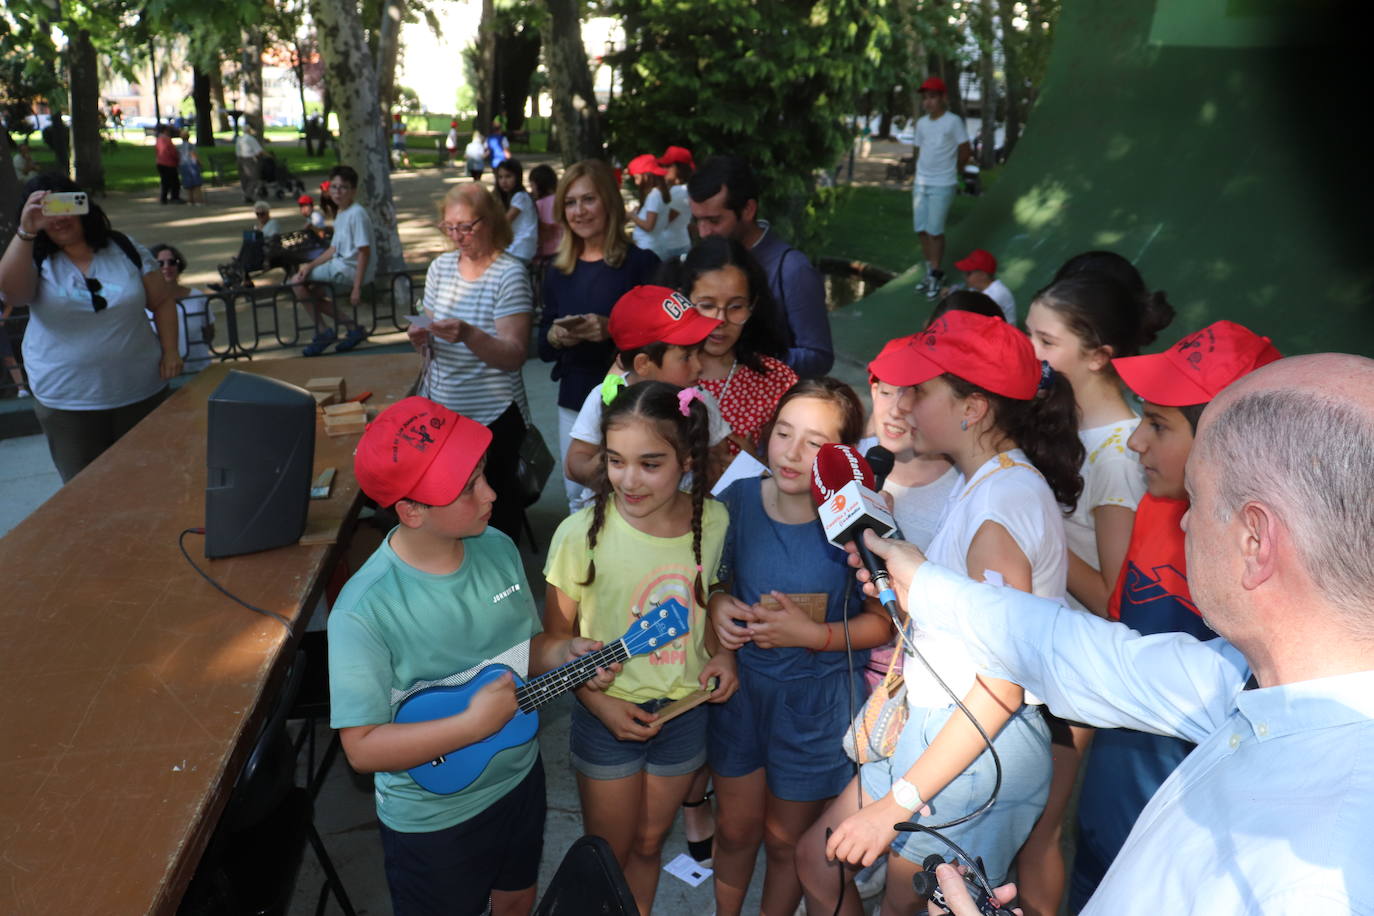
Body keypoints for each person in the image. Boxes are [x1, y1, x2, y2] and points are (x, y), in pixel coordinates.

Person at [842, 349, 1374, 916]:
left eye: (1196, 500)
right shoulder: (1253, 684)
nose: (1186, 520)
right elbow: (1081, 654)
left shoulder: (1320, 874)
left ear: (1255, 541)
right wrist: (920, 580)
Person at [798, 309, 1083, 914]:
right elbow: (975, 622)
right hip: (937, 721)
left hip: (974, 745)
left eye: (920, 391)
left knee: (904, 905)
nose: (902, 404)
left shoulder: (999, 508)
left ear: (972, 407)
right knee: (816, 859)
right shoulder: (989, 482)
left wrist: (895, 804)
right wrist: (908, 589)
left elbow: (1002, 686)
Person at [331, 395, 614, 916]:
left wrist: (564, 649)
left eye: (483, 473)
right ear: (411, 510)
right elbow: (363, 749)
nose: (490, 493)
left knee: (516, 900)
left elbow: (521, 653)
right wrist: (471, 725)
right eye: (467, 489)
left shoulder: (498, 547)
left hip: (519, 777)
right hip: (434, 818)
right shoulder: (363, 611)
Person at [1068, 320, 1282, 911]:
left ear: (1228, 444)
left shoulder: (1275, 573)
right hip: (1106, 818)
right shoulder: (1156, 510)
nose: (1136, 441)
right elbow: (1120, 648)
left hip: (1182, 861)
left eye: (1159, 425)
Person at [537, 380, 739, 915]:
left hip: (684, 713)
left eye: (650, 464)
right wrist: (597, 701)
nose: (629, 480)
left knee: (650, 844)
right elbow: (552, 643)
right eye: (615, 461)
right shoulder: (579, 534)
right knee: (610, 851)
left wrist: (724, 653)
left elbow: (711, 597)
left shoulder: (713, 521)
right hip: (607, 717)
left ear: (688, 459)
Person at [1014, 271, 1172, 916]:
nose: (1031, 352)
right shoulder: (1066, 417)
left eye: (1045, 340)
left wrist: (1035, 525)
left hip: (1074, 667)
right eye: (1029, 333)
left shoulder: (1117, 452)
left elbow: (1116, 596)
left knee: (1038, 833)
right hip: (1036, 644)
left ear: (1099, 352)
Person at [707, 378, 893, 916]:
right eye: (783, 433)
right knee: (736, 828)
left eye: (814, 443)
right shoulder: (736, 500)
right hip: (741, 695)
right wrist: (718, 603)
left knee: (785, 840)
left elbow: (882, 623)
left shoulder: (856, 519)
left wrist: (815, 636)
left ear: (843, 455)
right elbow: (709, 579)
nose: (790, 452)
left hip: (815, 707)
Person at [0, 176, 182, 482]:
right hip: (68, 403)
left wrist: (171, 351)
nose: (59, 219)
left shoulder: (123, 248)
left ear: (83, 204)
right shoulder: (33, 258)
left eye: (65, 205)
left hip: (141, 392)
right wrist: (26, 230)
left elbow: (162, 302)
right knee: (86, 493)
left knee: (149, 481)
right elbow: (13, 294)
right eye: (47, 210)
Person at [407, 182, 532, 541]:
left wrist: (469, 335)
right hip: (442, 411)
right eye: (449, 227)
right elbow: (429, 341)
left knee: (496, 504)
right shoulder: (440, 268)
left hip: (493, 415)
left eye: (466, 227)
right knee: (448, 500)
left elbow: (513, 355)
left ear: (491, 221)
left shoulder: (509, 273)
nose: (457, 236)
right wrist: (421, 339)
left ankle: (500, 581)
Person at [537, 159, 660, 509]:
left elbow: (663, 342)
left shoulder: (641, 263)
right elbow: (542, 344)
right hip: (575, 398)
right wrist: (556, 337)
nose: (579, 211)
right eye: (570, 202)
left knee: (638, 495)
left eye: (588, 199)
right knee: (580, 500)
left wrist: (612, 328)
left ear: (609, 201)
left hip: (632, 401)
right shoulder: (558, 271)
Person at [562, 285, 732, 511]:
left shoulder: (700, 401)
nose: (699, 366)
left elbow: (718, 456)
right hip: (612, 522)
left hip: (681, 520)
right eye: (686, 357)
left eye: (699, 353)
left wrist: (706, 463)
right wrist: (614, 462)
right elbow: (574, 464)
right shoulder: (605, 397)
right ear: (643, 364)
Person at [688, 155, 833, 378]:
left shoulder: (793, 269)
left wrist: (744, 360)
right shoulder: (702, 256)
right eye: (697, 220)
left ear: (748, 209)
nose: (703, 231)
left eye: (714, 220)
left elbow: (818, 357)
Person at [663, 236, 796, 456]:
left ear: (752, 306)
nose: (720, 320)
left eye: (735, 307)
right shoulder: (655, 368)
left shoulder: (777, 381)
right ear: (682, 299)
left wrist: (758, 469)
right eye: (707, 305)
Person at [293, 164, 373, 356]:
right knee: (310, 293)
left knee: (296, 283)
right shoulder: (341, 213)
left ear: (353, 190)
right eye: (334, 187)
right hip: (340, 266)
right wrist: (310, 265)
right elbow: (333, 248)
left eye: (343, 187)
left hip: (347, 270)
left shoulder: (357, 214)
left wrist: (356, 287)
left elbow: (364, 251)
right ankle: (352, 328)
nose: (338, 192)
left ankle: (324, 332)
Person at [911, 77, 971, 300]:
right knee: (922, 230)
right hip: (921, 183)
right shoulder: (921, 123)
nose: (928, 102)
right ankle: (930, 272)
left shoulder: (953, 122)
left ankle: (936, 273)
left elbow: (965, 150)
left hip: (943, 183)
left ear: (943, 98)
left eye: (933, 97)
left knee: (935, 231)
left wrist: (954, 172)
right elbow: (918, 150)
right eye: (925, 98)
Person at [148, 243, 213, 374]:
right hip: (162, 373)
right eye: (160, 264)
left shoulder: (198, 297)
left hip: (198, 368)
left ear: (179, 266)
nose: (167, 267)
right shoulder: (146, 302)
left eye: (172, 262)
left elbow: (209, 332)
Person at [627, 154, 685, 261]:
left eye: (637, 178)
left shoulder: (653, 195)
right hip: (655, 245)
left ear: (647, 176)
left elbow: (649, 226)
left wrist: (632, 216)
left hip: (647, 248)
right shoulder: (660, 193)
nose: (636, 182)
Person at [948, 249, 1015, 323]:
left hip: (1003, 332)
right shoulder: (977, 288)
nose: (964, 276)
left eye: (968, 273)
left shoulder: (997, 295)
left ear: (982, 275)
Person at [493, 158, 537, 263]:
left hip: (521, 248)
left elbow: (505, 221)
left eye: (508, 176)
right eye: (500, 177)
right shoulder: (513, 197)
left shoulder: (520, 197)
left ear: (517, 177)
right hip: (516, 247)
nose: (504, 181)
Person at [658, 145, 695, 260]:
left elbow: (662, 222)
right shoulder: (683, 189)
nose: (664, 169)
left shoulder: (678, 192)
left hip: (673, 248)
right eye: (663, 165)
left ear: (679, 168)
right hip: (679, 243)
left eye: (668, 165)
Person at [529, 163, 562, 265]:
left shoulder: (540, 204)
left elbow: (546, 228)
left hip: (548, 254)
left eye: (532, 186)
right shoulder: (560, 199)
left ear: (539, 185)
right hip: (564, 249)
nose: (531, 190)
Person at [154, 124, 184, 205]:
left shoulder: (158, 139)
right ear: (165, 131)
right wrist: (177, 158)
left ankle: (164, 197)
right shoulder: (166, 139)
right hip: (168, 163)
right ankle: (174, 197)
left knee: (165, 181)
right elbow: (171, 151)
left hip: (160, 162)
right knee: (174, 181)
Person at [235, 127, 266, 203]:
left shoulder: (239, 138)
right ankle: (248, 195)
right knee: (254, 177)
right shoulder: (250, 139)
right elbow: (259, 151)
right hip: (248, 159)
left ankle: (246, 193)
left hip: (239, 159)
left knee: (244, 178)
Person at [178, 129, 205, 206]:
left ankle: (190, 200)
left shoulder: (180, 146)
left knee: (188, 184)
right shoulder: (190, 146)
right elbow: (193, 155)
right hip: (192, 165)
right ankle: (198, 200)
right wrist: (200, 163)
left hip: (183, 165)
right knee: (196, 184)